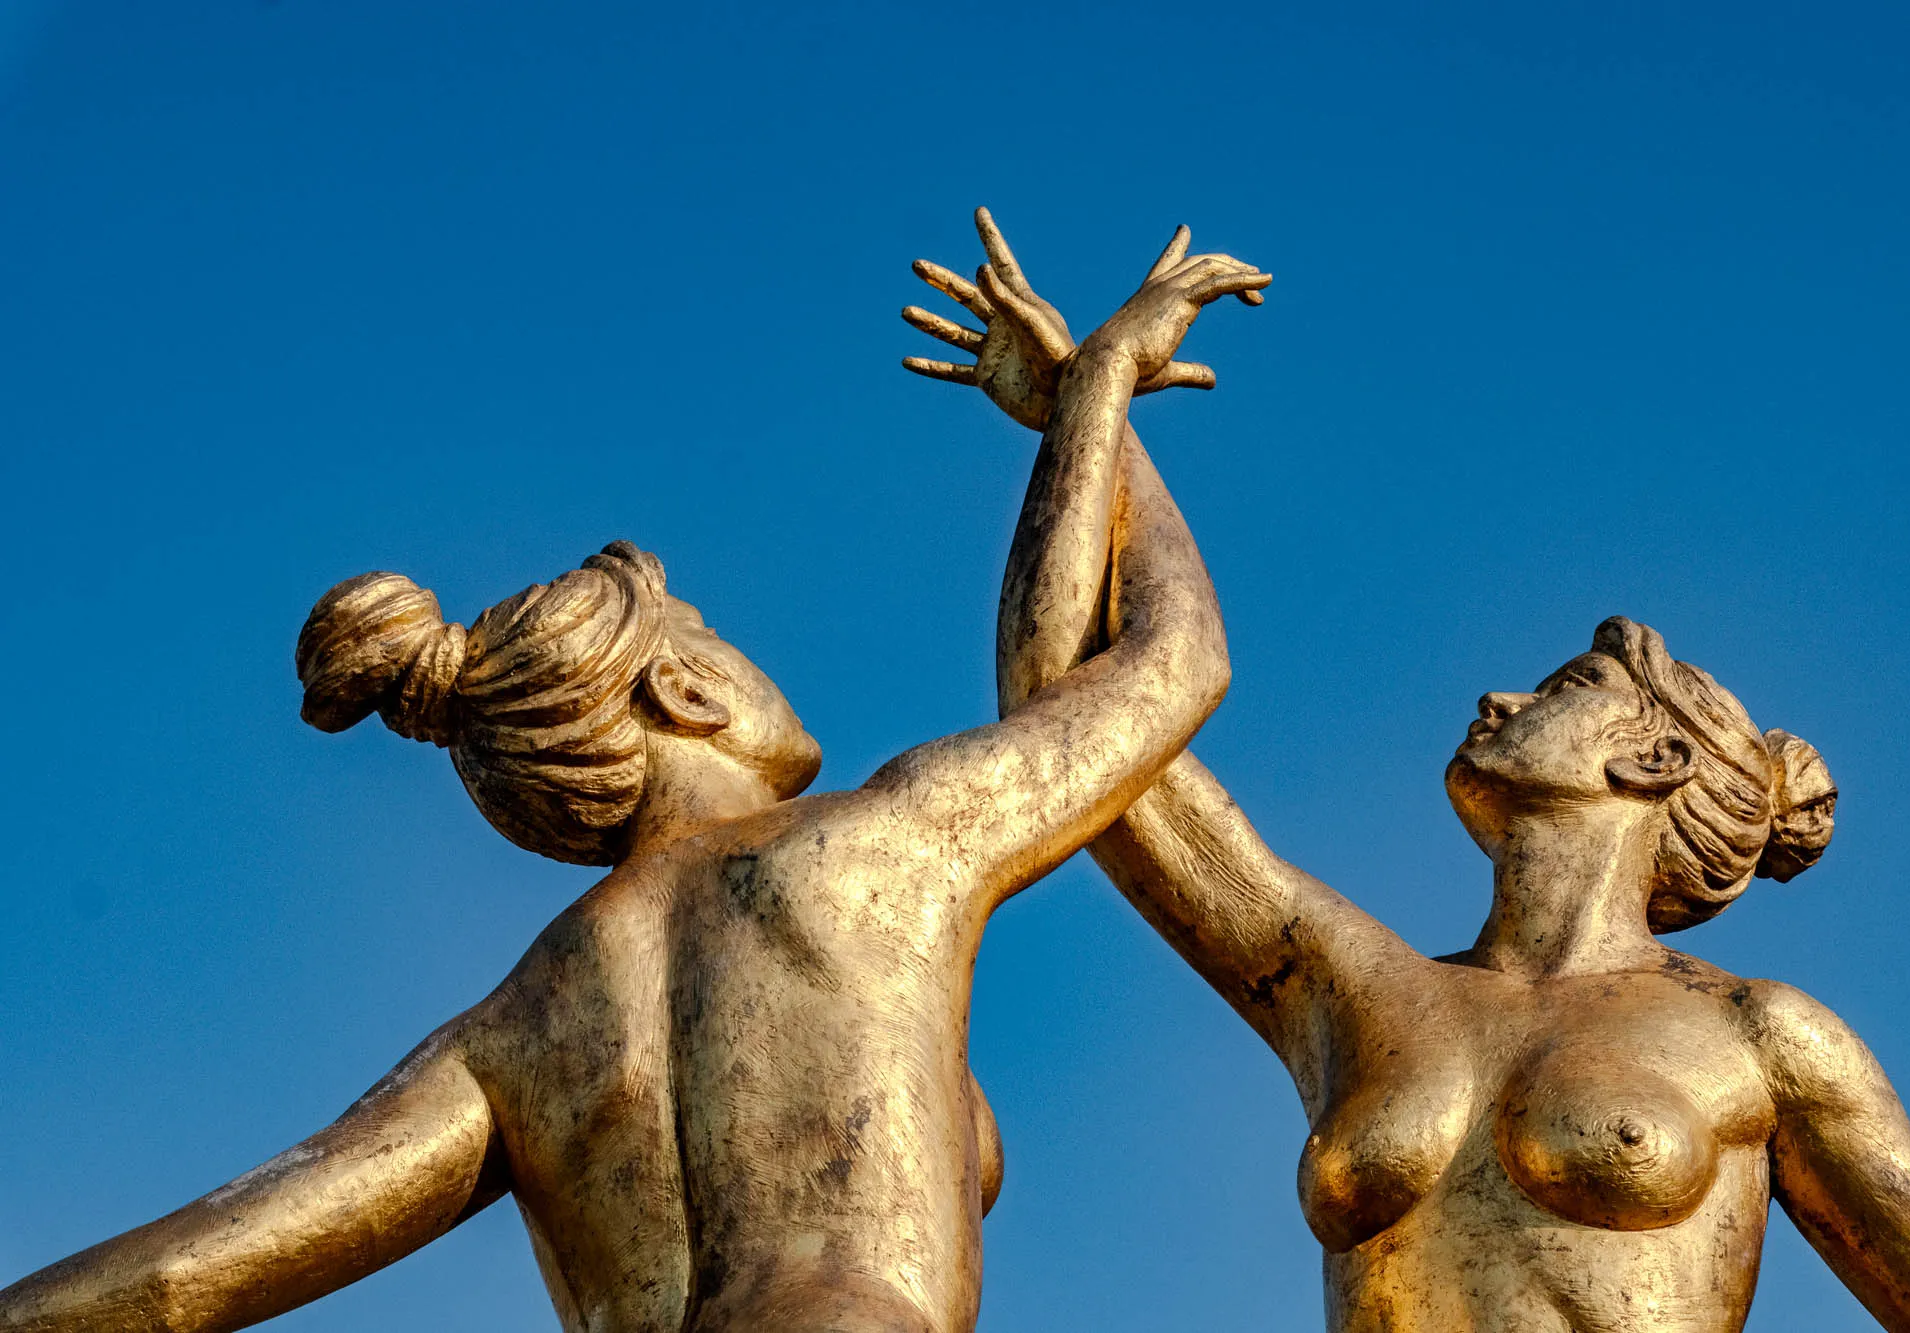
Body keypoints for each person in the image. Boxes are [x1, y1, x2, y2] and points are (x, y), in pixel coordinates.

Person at [0, 225, 1269, 1333]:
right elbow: (1168, 663)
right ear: (687, 691)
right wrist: (1093, 390)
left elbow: (181, 1279)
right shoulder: (876, 846)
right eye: (713, 631)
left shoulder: (509, 1029)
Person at [905, 214, 1910, 1331]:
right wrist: (1093, 406)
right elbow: (1066, 712)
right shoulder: (1352, 990)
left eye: (1562, 688)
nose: (1502, 698)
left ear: (1652, 757)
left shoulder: (1760, 1036)